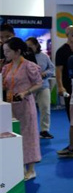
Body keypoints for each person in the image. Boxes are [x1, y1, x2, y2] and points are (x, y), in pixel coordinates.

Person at [2, 38, 43, 179]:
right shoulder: (6, 67)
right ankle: (18, 166)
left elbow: (39, 83)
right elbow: (4, 85)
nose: (5, 54)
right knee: (13, 134)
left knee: (28, 135)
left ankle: (31, 169)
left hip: (25, 104)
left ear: (17, 51)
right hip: (10, 106)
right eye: (4, 51)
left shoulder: (29, 66)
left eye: (8, 51)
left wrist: (26, 92)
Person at [26, 37, 55, 139]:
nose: (29, 48)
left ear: (36, 45)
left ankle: (44, 130)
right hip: (28, 88)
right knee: (28, 111)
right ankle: (29, 130)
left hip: (43, 85)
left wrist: (45, 73)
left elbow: (52, 68)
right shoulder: (24, 58)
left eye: (30, 46)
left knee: (45, 108)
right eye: (27, 46)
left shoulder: (44, 56)